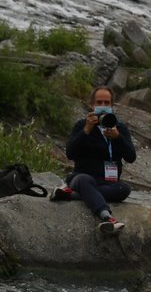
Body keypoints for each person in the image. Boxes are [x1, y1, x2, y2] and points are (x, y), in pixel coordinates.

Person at [55, 85, 137, 234]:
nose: (103, 106)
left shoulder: (120, 128)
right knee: (84, 180)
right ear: (92, 105)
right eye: (99, 102)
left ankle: (71, 195)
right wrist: (86, 130)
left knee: (124, 189)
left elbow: (131, 157)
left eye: (107, 103)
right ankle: (107, 218)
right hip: (82, 178)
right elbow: (70, 154)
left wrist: (118, 138)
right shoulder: (82, 125)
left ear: (112, 105)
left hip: (108, 182)